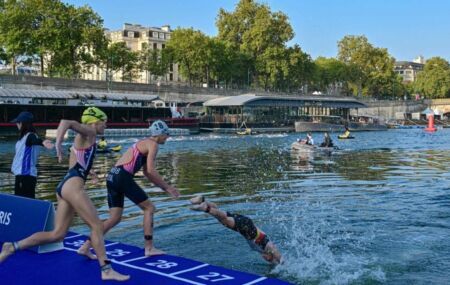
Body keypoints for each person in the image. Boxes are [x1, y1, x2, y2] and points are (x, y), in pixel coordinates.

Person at [0, 107, 129, 281]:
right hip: (73, 187)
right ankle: (106, 270)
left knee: (57, 234)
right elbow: (66, 122)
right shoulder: (89, 131)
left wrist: (89, 174)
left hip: (65, 186)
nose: (106, 125)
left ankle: (12, 247)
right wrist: (59, 143)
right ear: (95, 121)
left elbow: (76, 164)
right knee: (97, 226)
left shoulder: (83, 139)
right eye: (104, 121)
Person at [77, 120, 180, 258]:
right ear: (160, 134)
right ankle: (149, 248)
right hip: (122, 177)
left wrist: (163, 187)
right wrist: (168, 187)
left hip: (112, 176)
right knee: (149, 208)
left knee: (114, 218)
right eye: (166, 135)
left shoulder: (143, 143)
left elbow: (147, 173)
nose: (167, 138)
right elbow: (151, 170)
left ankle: (85, 247)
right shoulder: (153, 144)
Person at [190, 196, 282, 264]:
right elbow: (276, 252)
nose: (265, 258)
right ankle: (205, 208)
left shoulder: (262, 250)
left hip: (245, 225)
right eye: (268, 258)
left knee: (221, 217)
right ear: (270, 255)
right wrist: (282, 263)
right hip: (248, 228)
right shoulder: (267, 246)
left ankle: (203, 201)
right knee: (225, 220)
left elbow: (272, 261)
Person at [10, 111, 54, 199]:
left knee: (24, 202)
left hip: (26, 176)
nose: (16, 125)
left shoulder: (30, 136)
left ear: (22, 123)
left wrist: (42, 142)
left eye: (18, 123)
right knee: (21, 202)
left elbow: (34, 140)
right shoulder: (23, 138)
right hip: (21, 175)